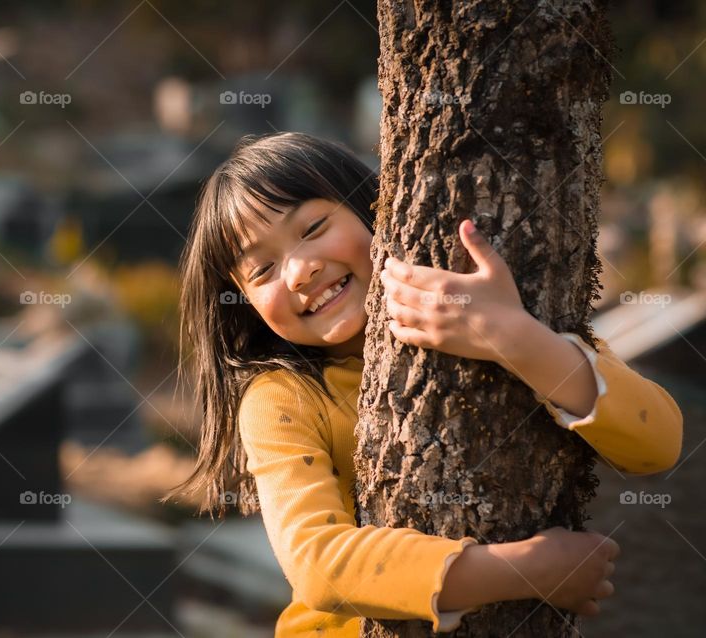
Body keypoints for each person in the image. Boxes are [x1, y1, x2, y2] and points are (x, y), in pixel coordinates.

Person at [162, 132, 683, 635]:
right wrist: (527, 570)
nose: (298, 271)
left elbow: (657, 443)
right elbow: (319, 565)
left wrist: (514, 336)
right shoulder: (282, 398)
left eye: (313, 227)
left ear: (376, 209)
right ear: (245, 305)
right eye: (262, 270)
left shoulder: (484, 305)